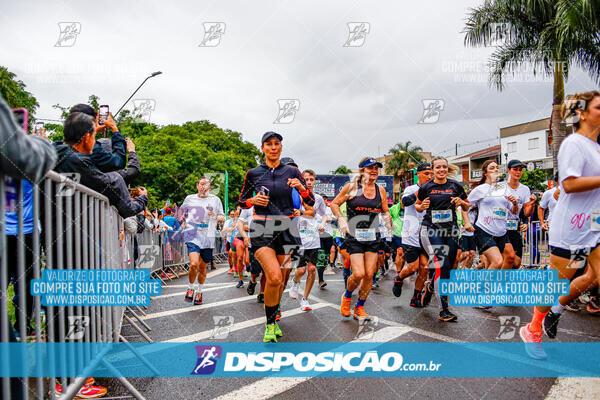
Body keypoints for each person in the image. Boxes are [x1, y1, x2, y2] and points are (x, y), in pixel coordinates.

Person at [521, 90, 600, 359]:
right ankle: (533, 328)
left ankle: (557, 310)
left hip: (595, 226)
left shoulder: (596, 147)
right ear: (582, 113)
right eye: (599, 107)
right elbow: (569, 184)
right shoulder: (573, 144)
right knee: (556, 285)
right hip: (571, 229)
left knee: (595, 276)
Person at [238, 132, 314, 342]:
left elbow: (311, 200)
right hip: (262, 227)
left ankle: (274, 308)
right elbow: (242, 202)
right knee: (274, 277)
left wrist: (301, 188)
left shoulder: (291, 170)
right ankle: (270, 324)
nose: (273, 147)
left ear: (281, 147)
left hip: (289, 228)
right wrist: (253, 200)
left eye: (277, 144)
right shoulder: (253, 173)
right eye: (269, 144)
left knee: (284, 276)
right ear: (262, 148)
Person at [54, 112, 148, 218]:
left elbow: (67, 152)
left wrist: (88, 135)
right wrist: (131, 151)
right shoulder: (113, 178)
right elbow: (132, 172)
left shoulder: (71, 166)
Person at [331, 157, 392, 321]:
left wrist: (389, 222)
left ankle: (360, 308)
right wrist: (341, 219)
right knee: (358, 273)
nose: (373, 171)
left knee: (369, 274)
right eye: (369, 168)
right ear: (362, 170)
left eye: (376, 168)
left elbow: (385, 210)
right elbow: (334, 204)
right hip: (354, 236)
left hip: (373, 237)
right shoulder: (352, 187)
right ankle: (347, 296)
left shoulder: (381, 190)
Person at [416, 157, 469, 322]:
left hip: (451, 230)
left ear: (447, 169)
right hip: (431, 229)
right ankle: (443, 310)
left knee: (449, 267)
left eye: (444, 167)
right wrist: (421, 206)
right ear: (432, 169)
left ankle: (431, 284)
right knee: (442, 264)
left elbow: (467, 206)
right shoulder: (426, 187)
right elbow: (418, 205)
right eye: (438, 167)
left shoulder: (455, 186)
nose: (441, 170)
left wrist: (461, 202)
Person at [180, 176, 224, 305]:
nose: (203, 186)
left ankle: (199, 291)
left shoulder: (215, 200)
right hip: (192, 232)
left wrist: (215, 216)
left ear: (210, 187)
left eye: (206, 184)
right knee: (194, 264)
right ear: (197, 186)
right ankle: (190, 287)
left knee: (202, 267)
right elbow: (181, 212)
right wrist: (183, 221)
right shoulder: (190, 198)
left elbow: (221, 216)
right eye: (201, 184)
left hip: (208, 235)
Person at [392, 163, 432, 307]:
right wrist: (422, 190)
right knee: (413, 267)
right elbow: (404, 202)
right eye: (426, 173)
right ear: (418, 174)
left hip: (426, 234)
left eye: (431, 173)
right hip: (411, 234)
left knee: (424, 268)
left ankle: (415, 297)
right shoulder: (411, 189)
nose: (430, 176)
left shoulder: (434, 189)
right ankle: (399, 278)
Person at [289, 169, 323, 311]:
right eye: (306, 179)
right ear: (302, 180)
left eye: (312, 180)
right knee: (301, 270)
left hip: (313, 239)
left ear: (315, 181)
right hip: (298, 239)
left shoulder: (318, 199)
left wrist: (323, 223)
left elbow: (323, 214)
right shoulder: (294, 196)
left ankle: (305, 299)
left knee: (312, 269)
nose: (309, 182)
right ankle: (295, 281)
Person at [502, 159, 537, 269]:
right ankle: (499, 283)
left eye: (520, 170)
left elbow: (526, 213)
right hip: (500, 226)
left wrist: (532, 204)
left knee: (517, 262)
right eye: (515, 169)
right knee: (508, 258)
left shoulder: (525, 189)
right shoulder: (500, 187)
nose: (518, 172)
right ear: (508, 170)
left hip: (515, 226)